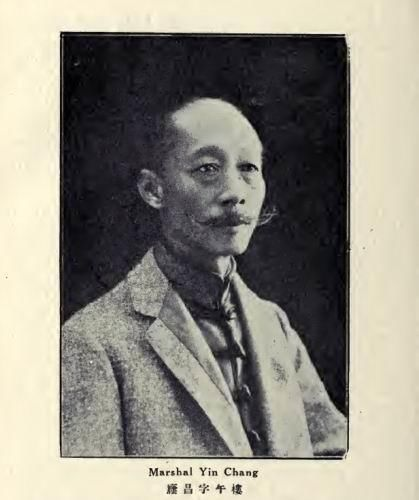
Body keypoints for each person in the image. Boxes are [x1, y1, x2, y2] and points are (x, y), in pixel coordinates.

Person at [61, 97, 347, 457]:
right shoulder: (92, 342)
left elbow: (335, 456)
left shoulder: (273, 323)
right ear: (153, 190)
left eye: (248, 168)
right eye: (208, 168)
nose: (234, 193)